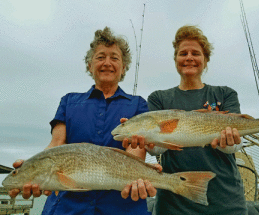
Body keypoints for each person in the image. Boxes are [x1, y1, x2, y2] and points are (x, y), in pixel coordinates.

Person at [8, 27, 158, 215]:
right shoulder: (68, 101)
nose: (107, 63)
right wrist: (31, 168)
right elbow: (56, 144)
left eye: (114, 58)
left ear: (124, 68)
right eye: (100, 57)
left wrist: (138, 177)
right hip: (66, 206)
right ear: (89, 65)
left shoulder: (138, 104)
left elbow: (135, 150)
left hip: (122, 206)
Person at [124, 25, 247, 215]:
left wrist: (229, 142)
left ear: (205, 60)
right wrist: (147, 142)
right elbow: (157, 149)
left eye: (195, 53)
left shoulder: (225, 93)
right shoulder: (159, 98)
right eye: (183, 53)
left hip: (226, 201)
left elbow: (234, 146)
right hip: (174, 205)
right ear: (175, 60)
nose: (189, 57)